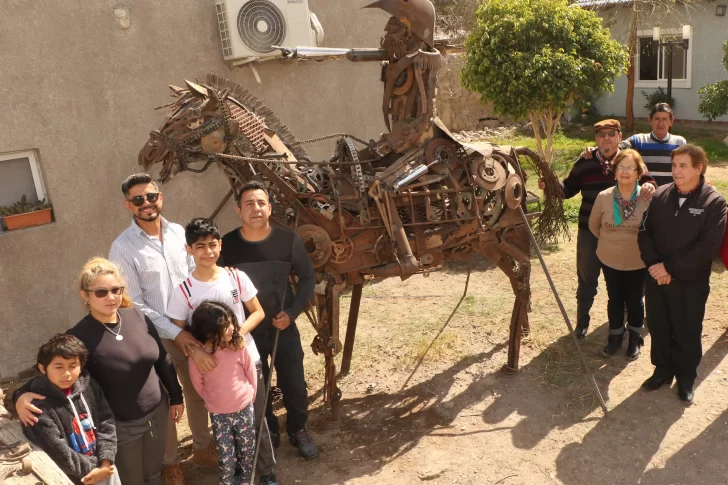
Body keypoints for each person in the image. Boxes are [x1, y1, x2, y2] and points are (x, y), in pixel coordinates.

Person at [15, 258, 185, 484]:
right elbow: (55, 373)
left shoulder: (138, 316)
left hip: (158, 413)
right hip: (121, 425)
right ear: (85, 295)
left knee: (154, 473)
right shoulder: (79, 336)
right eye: (101, 292)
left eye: (116, 290)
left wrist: (176, 396)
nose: (111, 297)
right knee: (132, 480)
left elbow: (162, 359)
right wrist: (20, 396)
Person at [108, 173, 216, 484]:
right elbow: (133, 303)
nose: (146, 203)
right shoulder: (123, 247)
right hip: (157, 337)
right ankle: (170, 463)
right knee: (168, 401)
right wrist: (176, 333)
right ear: (128, 205)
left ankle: (202, 447)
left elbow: (194, 278)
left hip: (193, 331)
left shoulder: (179, 233)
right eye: (138, 200)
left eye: (151, 196)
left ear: (161, 198)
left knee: (198, 393)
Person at [166, 217, 279, 485]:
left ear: (220, 245)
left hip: (247, 361)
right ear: (189, 249)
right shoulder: (183, 290)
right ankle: (234, 473)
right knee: (224, 428)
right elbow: (176, 330)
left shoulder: (236, 277)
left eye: (213, 245)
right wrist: (197, 352)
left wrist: (238, 334)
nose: (208, 251)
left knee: (256, 420)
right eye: (200, 246)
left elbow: (258, 312)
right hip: (213, 371)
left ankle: (267, 473)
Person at [218, 181, 318, 460]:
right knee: (256, 387)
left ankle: (298, 430)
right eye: (249, 203)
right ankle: (270, 430)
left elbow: (308, 278)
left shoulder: (288, 241)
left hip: (283, 327)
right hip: (247, 333)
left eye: (261, 203)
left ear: (270, 208)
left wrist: (293, 312)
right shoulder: (227, 245)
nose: (256, 208)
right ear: (238, 210)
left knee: (294, 382)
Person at [539, 119, 656, 339]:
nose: (606, 139)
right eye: (601, 135)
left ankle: (624, 326)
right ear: (596, 139)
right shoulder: (585, 162)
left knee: (627, 280)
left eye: (611, 134)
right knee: (586, 280)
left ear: (619, 137)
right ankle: (582, 321)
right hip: (589, 232)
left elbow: (648, 180)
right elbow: (568, 189)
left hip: (624, 234)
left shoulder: (629, 159)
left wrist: (649, 185)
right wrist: (551, 186)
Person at [638, 144, 727, 404]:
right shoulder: (659, 196)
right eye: (674, 165)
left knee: (687, 330)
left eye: (683, 165)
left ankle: (686, 377)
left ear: (699, 168)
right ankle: (663, 370)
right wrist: (656, 266)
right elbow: (644, 233)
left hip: (690, 282)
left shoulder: (714, 202)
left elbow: (708, 246)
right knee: (658, 325)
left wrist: (670, 267)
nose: (676, 170)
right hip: (656, 278)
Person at [23, 334, 120, 485]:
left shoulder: (89, 387)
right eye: (58, 366)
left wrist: (106, 462)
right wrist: (97, 468)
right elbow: (58, 452)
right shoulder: (37, 406)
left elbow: (106, 422)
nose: (67, 374)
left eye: (73, 366)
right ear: (42, 368)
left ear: (81, 365)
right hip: (69, 478)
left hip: (105, 468)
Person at [588, 150, 650, 359]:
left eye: (630, 168)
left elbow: (654, 230)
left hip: (637, 261)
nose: (625, 172)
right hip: (609, 258)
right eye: (620, 167)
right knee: (615, 298)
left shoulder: (647, 197)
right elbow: (594, 226)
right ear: (614, 171)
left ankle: (635, 337)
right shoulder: (604, 197)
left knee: (634, 300)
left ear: (638, 172)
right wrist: (612, 241)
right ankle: (615, 336)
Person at [188, 301, 258, 485]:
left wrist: (251, 393)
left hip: (244, 409)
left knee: (248, 452)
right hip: (219, 415)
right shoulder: (199, 356)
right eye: (224, 326)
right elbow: (198, 384)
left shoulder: (238, 346)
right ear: (208, 332)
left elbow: (250, 371)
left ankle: (246, 481)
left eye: (231, 323)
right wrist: (213, 400)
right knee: (226, 459)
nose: (231, 329)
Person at [581, 103, 686, 187]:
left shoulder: (680, 143)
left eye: (665, 119)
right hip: (645, 194)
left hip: (671, 194)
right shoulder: (639, 140)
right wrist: (594, 149)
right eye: (657, 119)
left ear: (671, 121)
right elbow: (617, 146)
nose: (660, 123)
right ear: (650, 120)